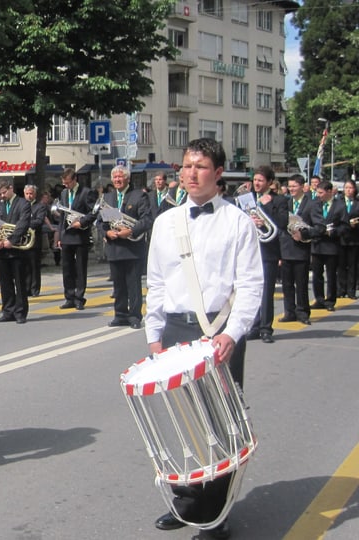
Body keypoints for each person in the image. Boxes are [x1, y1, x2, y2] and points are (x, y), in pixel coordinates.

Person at [145, 138, 262, 539]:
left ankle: (216, 512)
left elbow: (250, 285)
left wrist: (233, 333)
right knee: (185, 421)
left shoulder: (237, 222)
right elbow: (157, 283)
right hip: (176, 330)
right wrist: (153, 334)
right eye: (186, 165)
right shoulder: (165, 222)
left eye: (200, 166)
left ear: (217, 173)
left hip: (219, 331)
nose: (190, 173)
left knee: (221, 423)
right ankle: (188, 503)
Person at [101, 166, 152, 328]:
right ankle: (120, 315)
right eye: (115, 177)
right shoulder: (109, 198)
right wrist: (107, 232)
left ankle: (135, 316)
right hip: (115, 248)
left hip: (133, 249)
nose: (117, 180)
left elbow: (146, 220)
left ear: (127, 179)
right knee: (118, 285)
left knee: (133, 285)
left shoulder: (138, 196)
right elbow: (103, 222)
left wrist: (130, 231)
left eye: (120, 177)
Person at [243, 166, 287, 344]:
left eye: (260, 180)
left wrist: (267, 209)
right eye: (255, 180)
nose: (257, 183)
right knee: (252, 290)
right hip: (249, 250)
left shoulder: (279, 200)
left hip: (268, 250)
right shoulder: (248, 198)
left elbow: (282, 223)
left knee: (267, 290)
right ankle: (254, 326)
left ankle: (266, 328)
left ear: (269, 182)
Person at [56, 167, 98, 310]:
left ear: (75, 180)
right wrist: (60, 235)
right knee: (67, 268)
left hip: (80, 235)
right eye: (64, 183)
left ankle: (79, 298)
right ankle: (69, 297)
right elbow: (62, 215)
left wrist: (82, 222)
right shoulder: (63, 193)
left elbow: (93, 213)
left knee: (80, 268)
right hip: (67, 235)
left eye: (68, 183)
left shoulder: (87, 192)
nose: (66, 186)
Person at [0, 179, 31, 324]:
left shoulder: (23, 203)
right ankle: (8, 311)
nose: (1, 196)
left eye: (3, 193)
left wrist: (12, 240)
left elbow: (23, 224)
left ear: (10, 188)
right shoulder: (0, 205)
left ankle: (20, 312)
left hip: (17, 250)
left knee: (19, 283)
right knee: (5, 282)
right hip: (2, 251)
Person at [279, 175, 314, 325]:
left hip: (301, 249)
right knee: (287, 285)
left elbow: (318, 227)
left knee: (301, 284)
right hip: (286, 249)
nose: (291, 189)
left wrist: (303, 234)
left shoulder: (311, 204)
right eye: (290, 186)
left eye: (294, 186)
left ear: (302, 186)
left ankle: (303, 312)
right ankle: (289, 311)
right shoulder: (285, 203)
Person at [307, 181, 346, 311]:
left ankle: (330, 300)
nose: (318, 195)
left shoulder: (340, 206)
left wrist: (334, 232)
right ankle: (319, 298)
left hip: (332, 245)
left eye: (321, 193)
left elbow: (344, 226)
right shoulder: (315, 205)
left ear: (329, 191)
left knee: (331, 274)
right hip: (317, 244)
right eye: (317, 192)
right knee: (317, 274)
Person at [23, 184, 47, 297]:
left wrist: (24, 225)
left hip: (34, 241)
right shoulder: (21, 205)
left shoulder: (40, 206)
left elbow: (39, 221)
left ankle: (34, 289)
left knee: (34, 266)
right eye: (27, 194)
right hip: (23, 241)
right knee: (25, 266)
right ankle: (26, 288)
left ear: (35, 194)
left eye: (31, 193)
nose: (29, 196)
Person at [337, 179, 359, 299]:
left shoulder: (357, 203)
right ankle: (341, 289)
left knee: (352, 265)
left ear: (354, 189)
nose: (348, 190)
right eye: (346, 188)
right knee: (341, 265)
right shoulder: (339, 203)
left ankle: (351, 290)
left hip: (354, 238)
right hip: (341, 238)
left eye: (351, 188)